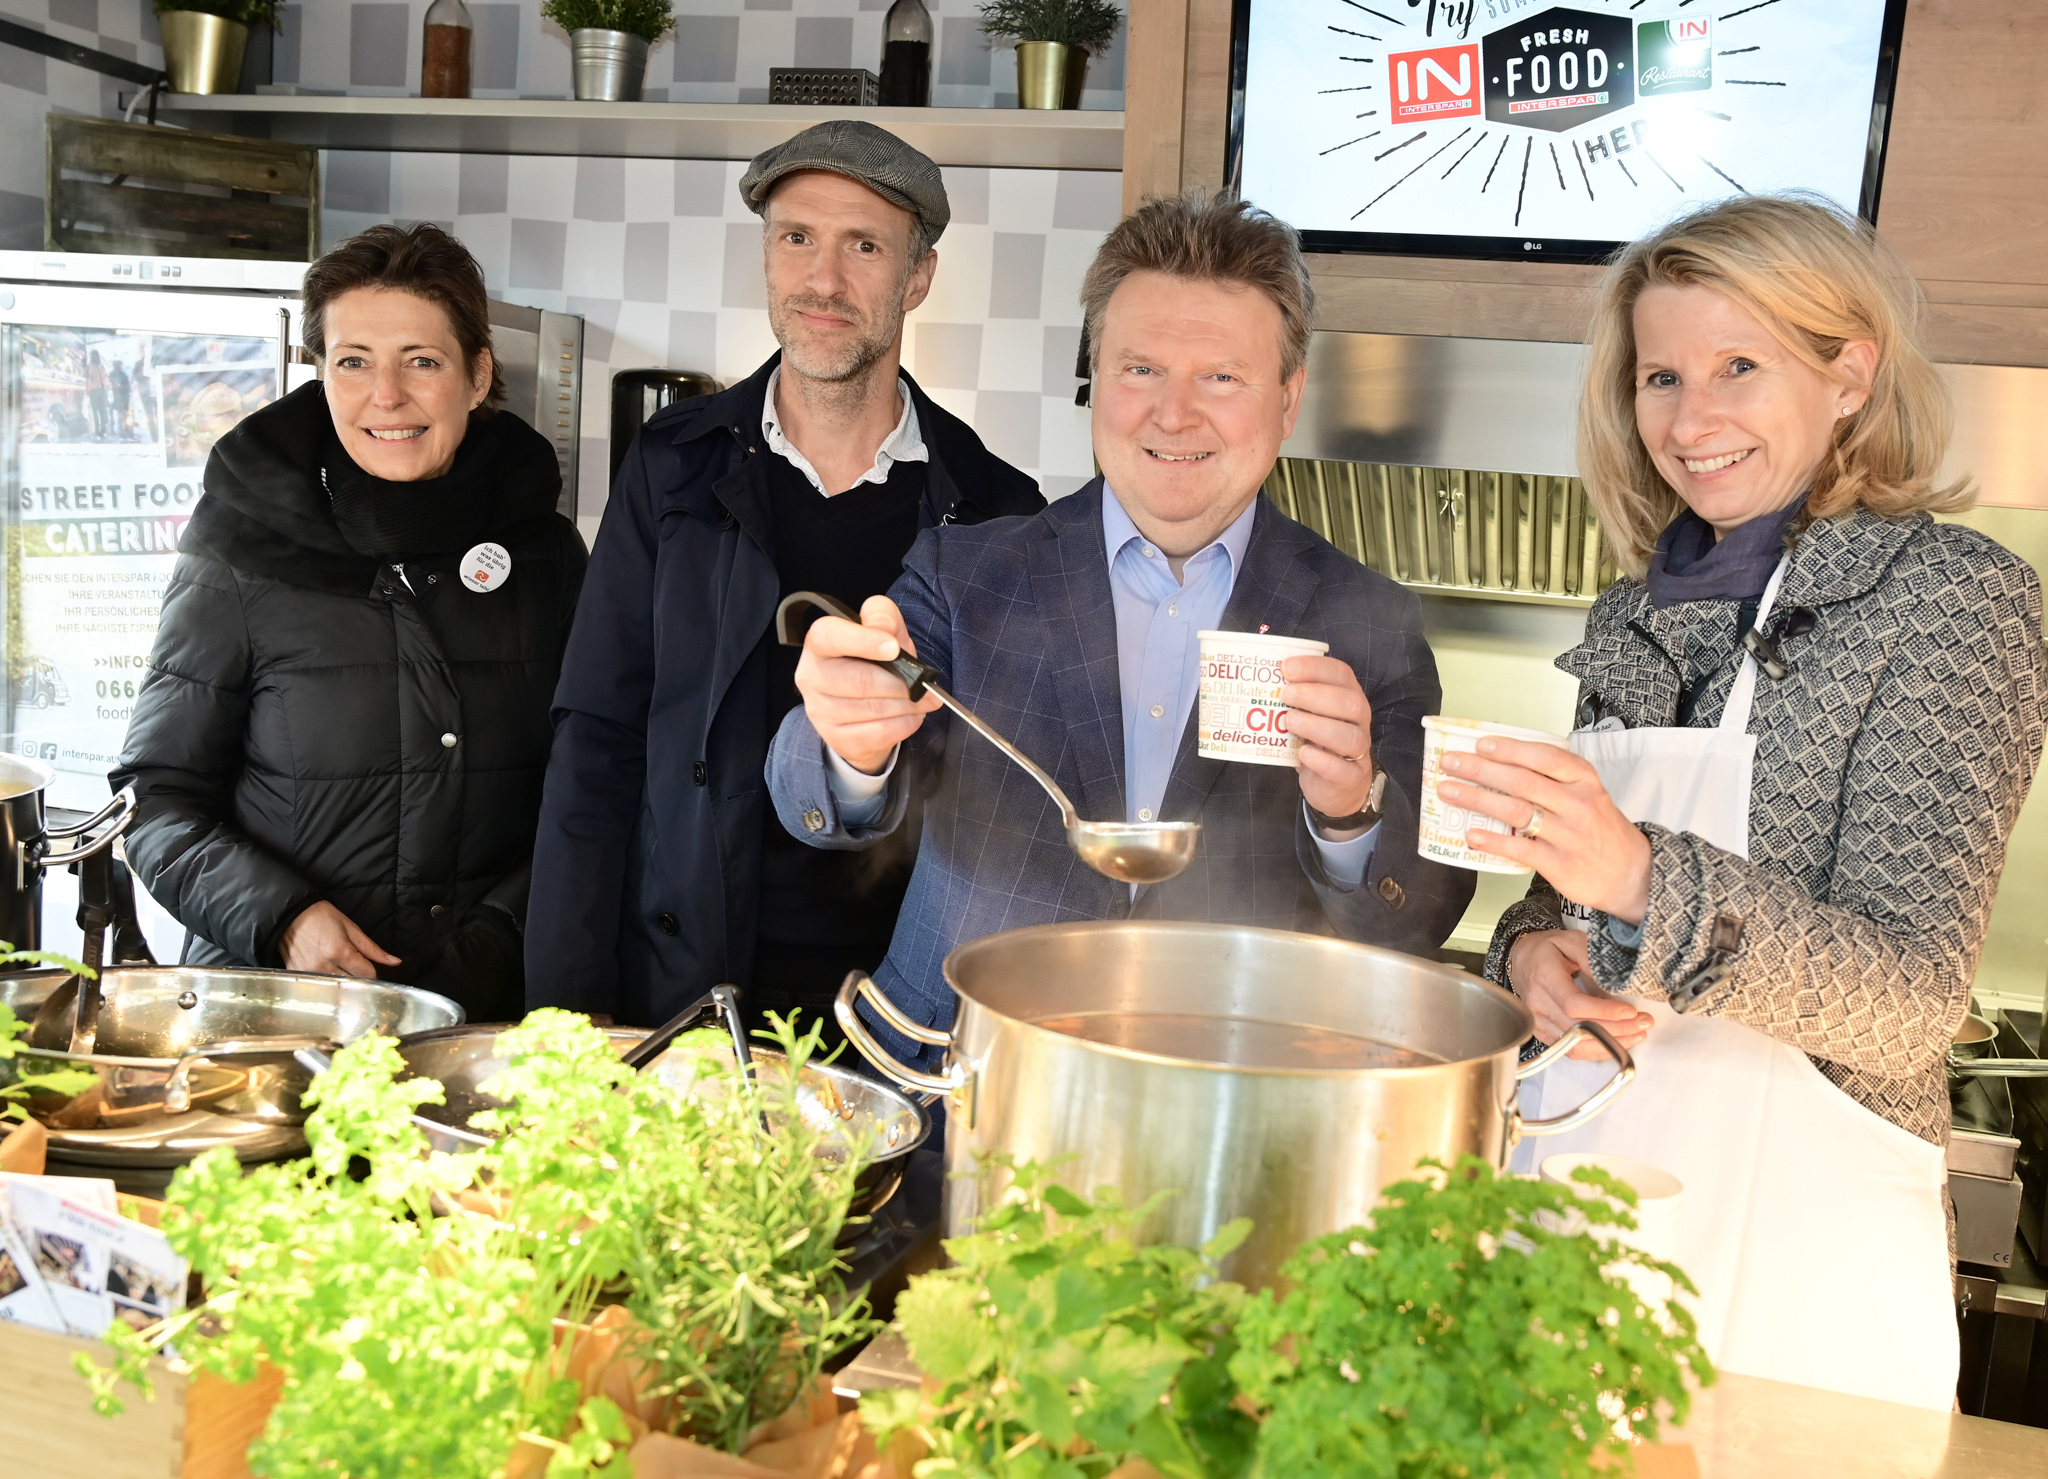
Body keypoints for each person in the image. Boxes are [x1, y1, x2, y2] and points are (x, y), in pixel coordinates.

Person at [1451, 196, 2045, 1410]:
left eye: (1739, 366)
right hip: (1586, 1194)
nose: (1690, 417)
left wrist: (1638, 881)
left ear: (1847, 375)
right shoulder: (1630, 607)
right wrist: (1530, 956)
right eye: (1659, 374)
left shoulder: (1946, 600)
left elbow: (1910, 1005)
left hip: (1798, 1247)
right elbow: (1560, 902)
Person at [771, 191, 1474, 1069]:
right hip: (958, 1082)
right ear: (1095, 378)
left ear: (1288, 399)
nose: (1173, 414)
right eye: (1140, 369)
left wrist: (1349, 812)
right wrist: (848, 741)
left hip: (1226, 1111)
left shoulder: (1369, 620)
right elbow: (812, 793)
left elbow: (1428, 904)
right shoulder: (966, 575)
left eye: (1221, 377)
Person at [525, 121, 1042, 1034]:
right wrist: (565, 1023)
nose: (824, 280)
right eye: (797, 238)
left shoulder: (997, 509)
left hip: (906, 1012)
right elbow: (596, 743)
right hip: (683, 994)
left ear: (917, 277)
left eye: (865, 246)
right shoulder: (671, 471)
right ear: (767, 257)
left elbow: (1011, 799)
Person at [113, 224, 587, 1022]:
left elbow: (595, 777)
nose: (386, 396)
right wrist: (282, 918)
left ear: (478, 376)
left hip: (486, 1018)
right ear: (320, 373)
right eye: (353, 361)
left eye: (422, 362)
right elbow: (156, 799)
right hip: (276, 1011)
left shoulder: (545, 552)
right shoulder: (239, 544)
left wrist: (507, 928)